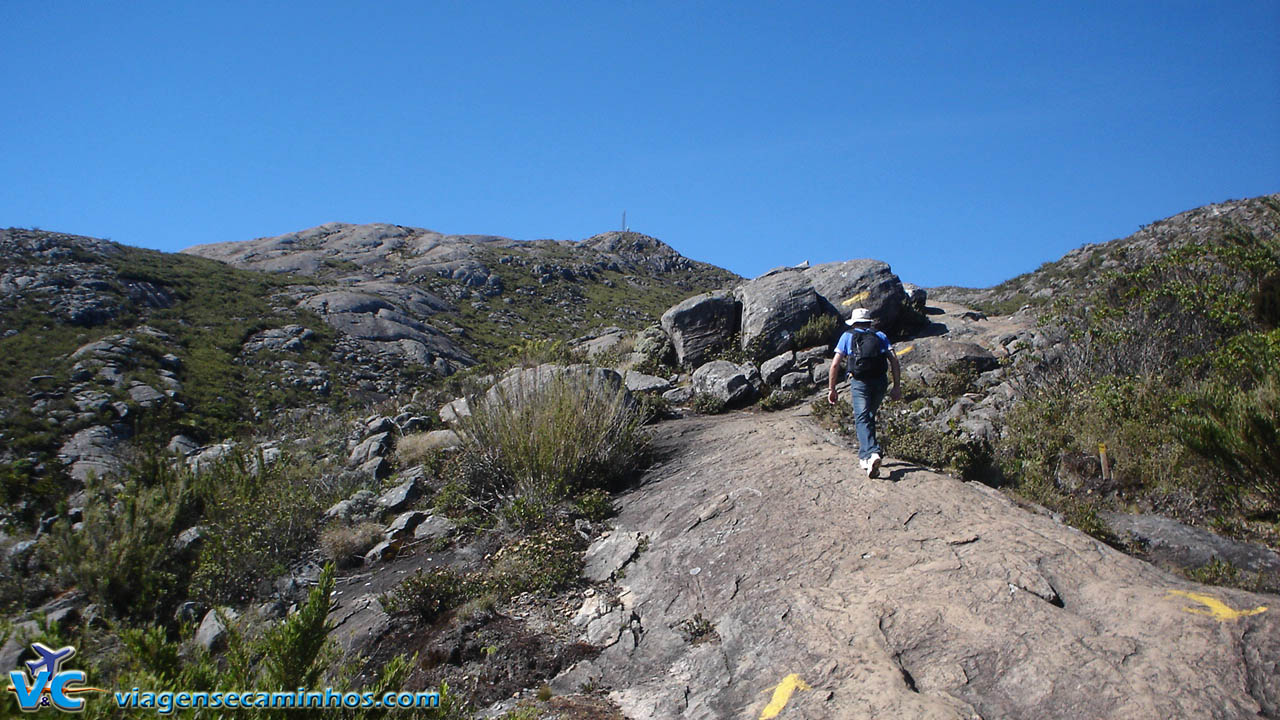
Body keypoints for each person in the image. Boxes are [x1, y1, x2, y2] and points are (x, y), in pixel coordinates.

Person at [827, 307, 901, 478]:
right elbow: (894, 361)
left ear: (854, 322)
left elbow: (835, 364)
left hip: (860, 382)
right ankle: (865, 456)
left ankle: (872, 453)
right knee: (868, 417)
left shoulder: (847, 336)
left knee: (862, 417)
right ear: (869, 321)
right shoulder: (880, 336)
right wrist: (896, 386)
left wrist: (832, 389)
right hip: (880, 382)